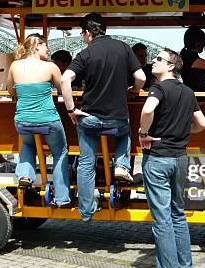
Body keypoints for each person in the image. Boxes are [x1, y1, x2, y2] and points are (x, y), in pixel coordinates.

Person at [61, 13, 146, 222]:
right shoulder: (123, 48)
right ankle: (121, 165)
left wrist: (71, 110)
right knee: (125, 132)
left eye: (82, 34)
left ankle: (87, 210)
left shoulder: (85, 54)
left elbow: (65, 80)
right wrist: (133, 90)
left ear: (88, 33)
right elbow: (141, 77)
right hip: (117, 119)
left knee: (86, 163)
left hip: (89, 118)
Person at [138, 48, 205, 268]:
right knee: (178, 213)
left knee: (162, 217)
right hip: (180, 158)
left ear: (170, 66)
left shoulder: (158, 88)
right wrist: (181, 132)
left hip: (158, 157)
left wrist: (143, 132)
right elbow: (202, 124)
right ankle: (184, 267)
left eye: (158, 59)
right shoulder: (188, 91)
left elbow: (148, 109)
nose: (153, 61)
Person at [7, 34, 70, 205]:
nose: (48, 50)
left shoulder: (14, 65)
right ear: (36, 46)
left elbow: (10, 91)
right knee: (60, 153)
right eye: (45, 46)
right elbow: (62, 88)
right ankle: (62, 197)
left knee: (28, 145)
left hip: (22, 120)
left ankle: (25, 175)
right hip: (48, 119)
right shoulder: (51, 67)